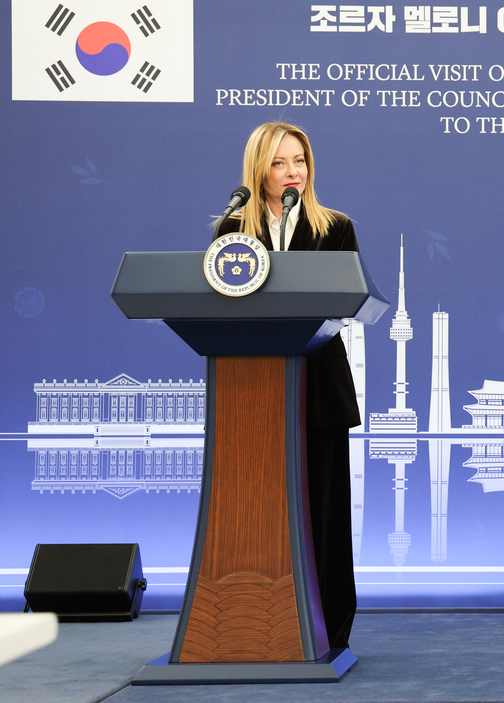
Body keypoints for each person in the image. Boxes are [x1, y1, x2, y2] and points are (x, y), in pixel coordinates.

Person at [216, 121, 361, 651]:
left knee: (322, 509)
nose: (291, 171)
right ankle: (254, 623)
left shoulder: (335, 227)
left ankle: (329, 630)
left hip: (318, 386)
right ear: (258, 169)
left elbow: (345, 298)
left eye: (299, 160)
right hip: (253, 390)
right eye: (279, 162)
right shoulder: (231, 229)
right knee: (258, 508)